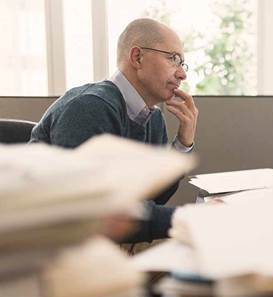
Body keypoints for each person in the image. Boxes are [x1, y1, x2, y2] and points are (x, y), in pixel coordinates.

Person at [30, 18, 198, 244]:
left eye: (182, 63)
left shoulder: (153, 118)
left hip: (102, 243)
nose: (182, 74)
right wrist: (193, 218)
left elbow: (153, 199)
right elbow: (96, 213)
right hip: (51, 246)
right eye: (173, 59)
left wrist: (182, 144)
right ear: (137, 57)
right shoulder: (89, 106)